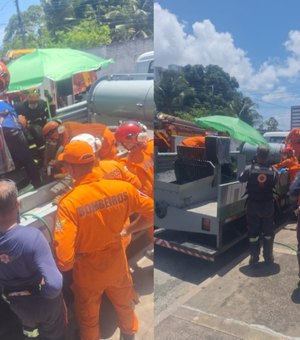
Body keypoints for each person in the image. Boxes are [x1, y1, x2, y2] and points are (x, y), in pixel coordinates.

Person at [54, 140, 154, 340]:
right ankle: (128, 333)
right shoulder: (122, 188)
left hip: (89, 273)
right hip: (117, 262)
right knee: (125, 303)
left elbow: (64, 262)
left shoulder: (69, 204)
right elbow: (153, 213)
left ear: (72, 169)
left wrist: (79, 255)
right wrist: (129, 229)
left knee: (89, 317)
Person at [0, 179, 66, 340]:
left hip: (17, 303)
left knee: (30, 330)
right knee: (54, 332)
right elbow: (55, 283)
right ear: (17, 204)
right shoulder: (32, 238)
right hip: (44, 301)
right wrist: (43, 293)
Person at [0, 62, 42, 188]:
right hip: (10, 175)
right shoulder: (4, 108)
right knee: (29, 160)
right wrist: (20, 124)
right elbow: (16, 137)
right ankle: (37, 182)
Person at [238, 146, 278, 265]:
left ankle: (254, 259)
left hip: (253, 205)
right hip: (268, 206)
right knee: (268, 233)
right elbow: (276, 182)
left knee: (253, 234)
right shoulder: (274, 171)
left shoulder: (249, 169)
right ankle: (268, 257)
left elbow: (240, 178)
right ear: (267, 157)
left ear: (257, 155)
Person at [42, 120, 117, 171]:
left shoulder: (70, 139)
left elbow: (75, 157)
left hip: (103, 137)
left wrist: (60, 166)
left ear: (57, 131)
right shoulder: (66, 126)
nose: (53, 139)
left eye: (52, 137)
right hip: (100, 131)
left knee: (108, 166)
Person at [115, 120, 154, 198]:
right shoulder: (150, 144)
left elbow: (145, 191)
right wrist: (120, 164)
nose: (124, 146)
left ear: (138, 139)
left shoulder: (138, 160)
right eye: (123, 143)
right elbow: (130, 158)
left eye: (126, 143)